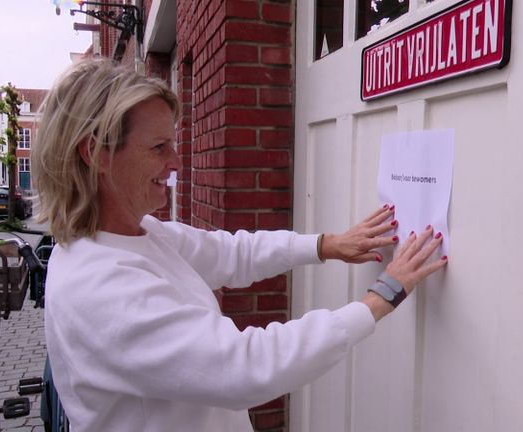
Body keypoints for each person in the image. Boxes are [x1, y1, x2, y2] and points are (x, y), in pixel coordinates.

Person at [32, 59, 448, 432]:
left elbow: (230, 253)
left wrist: (326, 245)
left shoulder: (141, 233)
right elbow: (244, 367)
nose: (176, 162)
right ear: (96, 154)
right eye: (159, 147)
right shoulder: (97, 285)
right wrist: (380, 299)